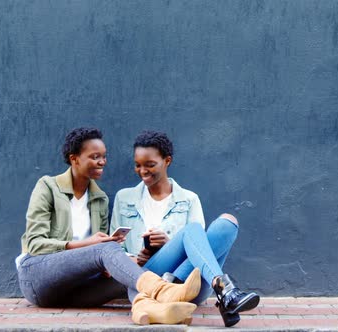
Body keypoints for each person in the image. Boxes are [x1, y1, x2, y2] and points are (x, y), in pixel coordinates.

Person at [15, 127, 203, 325]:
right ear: (74, 159)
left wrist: (113, 264)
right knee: (106, 249)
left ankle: (149, 309)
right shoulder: (48, 187)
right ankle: (163, 290)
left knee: (130, 272)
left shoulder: (100, 199)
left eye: (104, 156)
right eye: (95, 156)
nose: (102, 162)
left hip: (74, 291)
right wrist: (89, 245)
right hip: (37, 279)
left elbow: (100, 255)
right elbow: (35, 245)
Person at [110, 130, 259, 327]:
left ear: (167, 161)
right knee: (192, 230)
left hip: (190, 282)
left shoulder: (189, 199)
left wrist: (170, 244)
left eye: (150, 165)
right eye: (138, 165)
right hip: (147, 276)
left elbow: (200, 250)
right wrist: (136, 258)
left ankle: (179, 285)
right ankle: (225, 290)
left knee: (226, 222)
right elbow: (114, 249)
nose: (142, 171)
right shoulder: (124, 198)